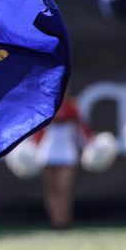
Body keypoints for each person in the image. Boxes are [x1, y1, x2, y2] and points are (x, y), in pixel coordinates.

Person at [34, 93, 92, 229]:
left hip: (66, 150)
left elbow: (83, 130)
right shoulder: (45, 105)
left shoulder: (73, 108)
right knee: (52, 190)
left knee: (63, 189)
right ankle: (56, 223)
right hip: (47, 149)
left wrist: (91, 147)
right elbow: (37, 130)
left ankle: (65, 222)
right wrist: (34, 148)